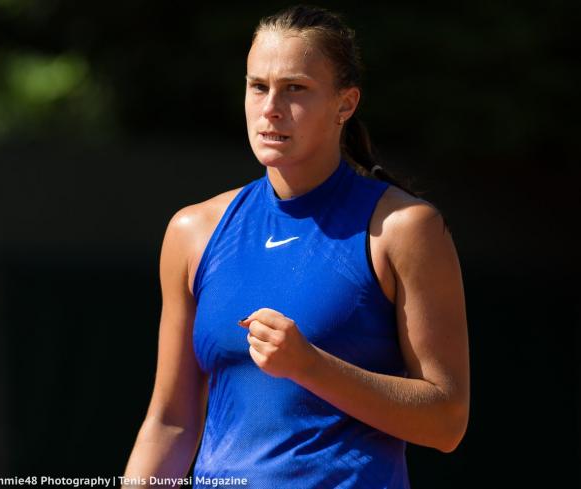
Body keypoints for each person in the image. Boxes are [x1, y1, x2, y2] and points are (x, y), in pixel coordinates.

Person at [122, 5, 470, 488]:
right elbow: (170, 423)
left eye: (295, 89)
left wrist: (310, 366)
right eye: (258, 86)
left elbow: (447, 422)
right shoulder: (192, 231)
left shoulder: (405, 229)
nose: (270, 109)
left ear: (345, 105)